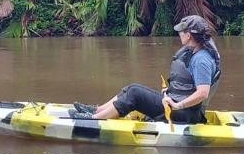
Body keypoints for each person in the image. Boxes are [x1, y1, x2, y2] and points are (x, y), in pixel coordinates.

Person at [73, 15, 221, 123]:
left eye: (181, 32)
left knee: (135, 93)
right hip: (179, 107)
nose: (179, 34)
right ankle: (97, 111)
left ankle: (93, 120)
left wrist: (177, 105)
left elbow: (203, 93)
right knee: (132, 87)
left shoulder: (202, 60)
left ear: (188, 35)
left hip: (184, 113)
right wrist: (171, 93)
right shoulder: (196, 51)